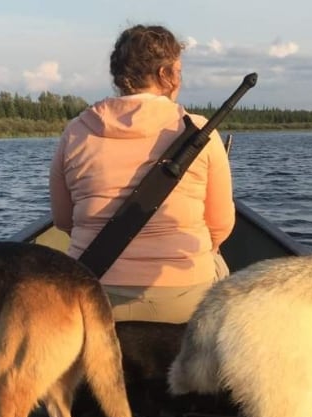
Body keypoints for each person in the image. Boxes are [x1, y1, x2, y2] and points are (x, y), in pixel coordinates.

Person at [49, 24, 234, 323]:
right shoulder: (201, 132)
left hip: (93, 296)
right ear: (165, 74)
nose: (180, 80)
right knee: (220, 266)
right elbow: (221, 227)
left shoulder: (75, 131)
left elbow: (63, 220)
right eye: (178, 71)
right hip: (183, 298)